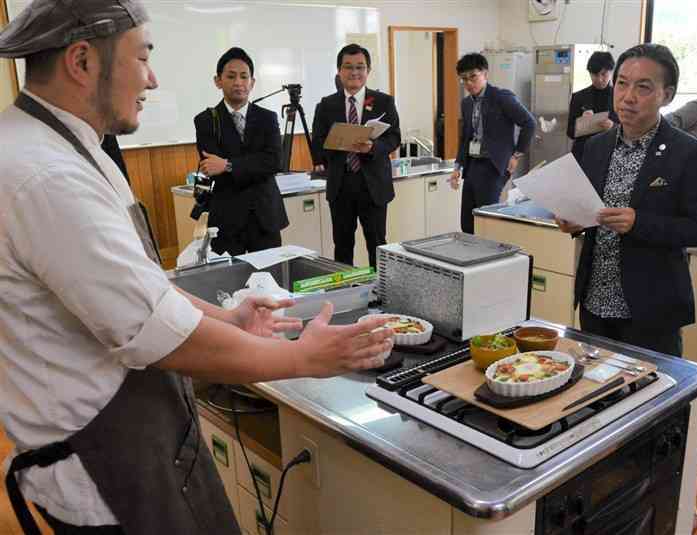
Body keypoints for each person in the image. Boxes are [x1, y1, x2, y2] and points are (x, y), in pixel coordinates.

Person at [0, 2, 393, 534]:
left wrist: (224, 319)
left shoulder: (75, 149)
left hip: (147, 440)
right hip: (110, 475)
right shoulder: (44, 175)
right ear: (82, 61)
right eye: (142, 58)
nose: (154, 79)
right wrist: (302, 356)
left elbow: (142, 285)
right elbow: (158, 333)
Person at [556, 43, 697, 357]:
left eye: (643, 87)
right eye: (622, 83)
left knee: (652, 399)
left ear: (666, 95)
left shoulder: (690, 153)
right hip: (594, 302)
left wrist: (639, 223)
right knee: (596, 396)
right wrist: (574, 220)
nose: (628, 96)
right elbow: (591, 209)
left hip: (651, 309)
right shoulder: (597, 146)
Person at [311, 44, 401, 268]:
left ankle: (380, 293)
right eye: (348, 67)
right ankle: (345, 295)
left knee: (377, 244)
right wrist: (338, 143)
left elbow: (394, 138)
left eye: (360, 67)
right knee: (342, 245)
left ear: (368, 70)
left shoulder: (383, 101)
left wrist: (372, 147)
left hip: (373, 186)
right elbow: (317, 146)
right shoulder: (326, 105)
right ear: (339, 71)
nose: (354, 72)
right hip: (341, 186)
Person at [194, 47, 288, 255]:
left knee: (271, 281)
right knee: (229, 283)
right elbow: (211, 166)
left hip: (265, 216)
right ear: (218, 81)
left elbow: (274, 162)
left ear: (252, 82)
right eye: (231, 76)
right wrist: (255, 165)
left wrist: (228, 165)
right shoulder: (205, 121)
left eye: (244, 76)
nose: (238, 82)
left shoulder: (267, 118)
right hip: (227, 220)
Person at [448, 52, 536, 234]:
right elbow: (465, 137)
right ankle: (469, 259)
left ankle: (487, 260)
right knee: (467, 222)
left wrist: (516, 155)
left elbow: (529, 123)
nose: (468, 83)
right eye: (463, 79)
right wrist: (457, 167)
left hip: (493, 165)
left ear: (485, 74)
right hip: (472, 166)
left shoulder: (501, 97)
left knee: (486, 221)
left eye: (473, 76)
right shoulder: (466, 103)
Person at [567, 51, 616, 163]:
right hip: (583, 155)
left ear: (611, 72)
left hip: (609, 156)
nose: (599, 79)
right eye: (595, 74)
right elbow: (569, 132)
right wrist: (581, 122)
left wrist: (613, 126)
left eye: (603, 74)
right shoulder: (578, 97)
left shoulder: (619, 97)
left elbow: (630, 130)